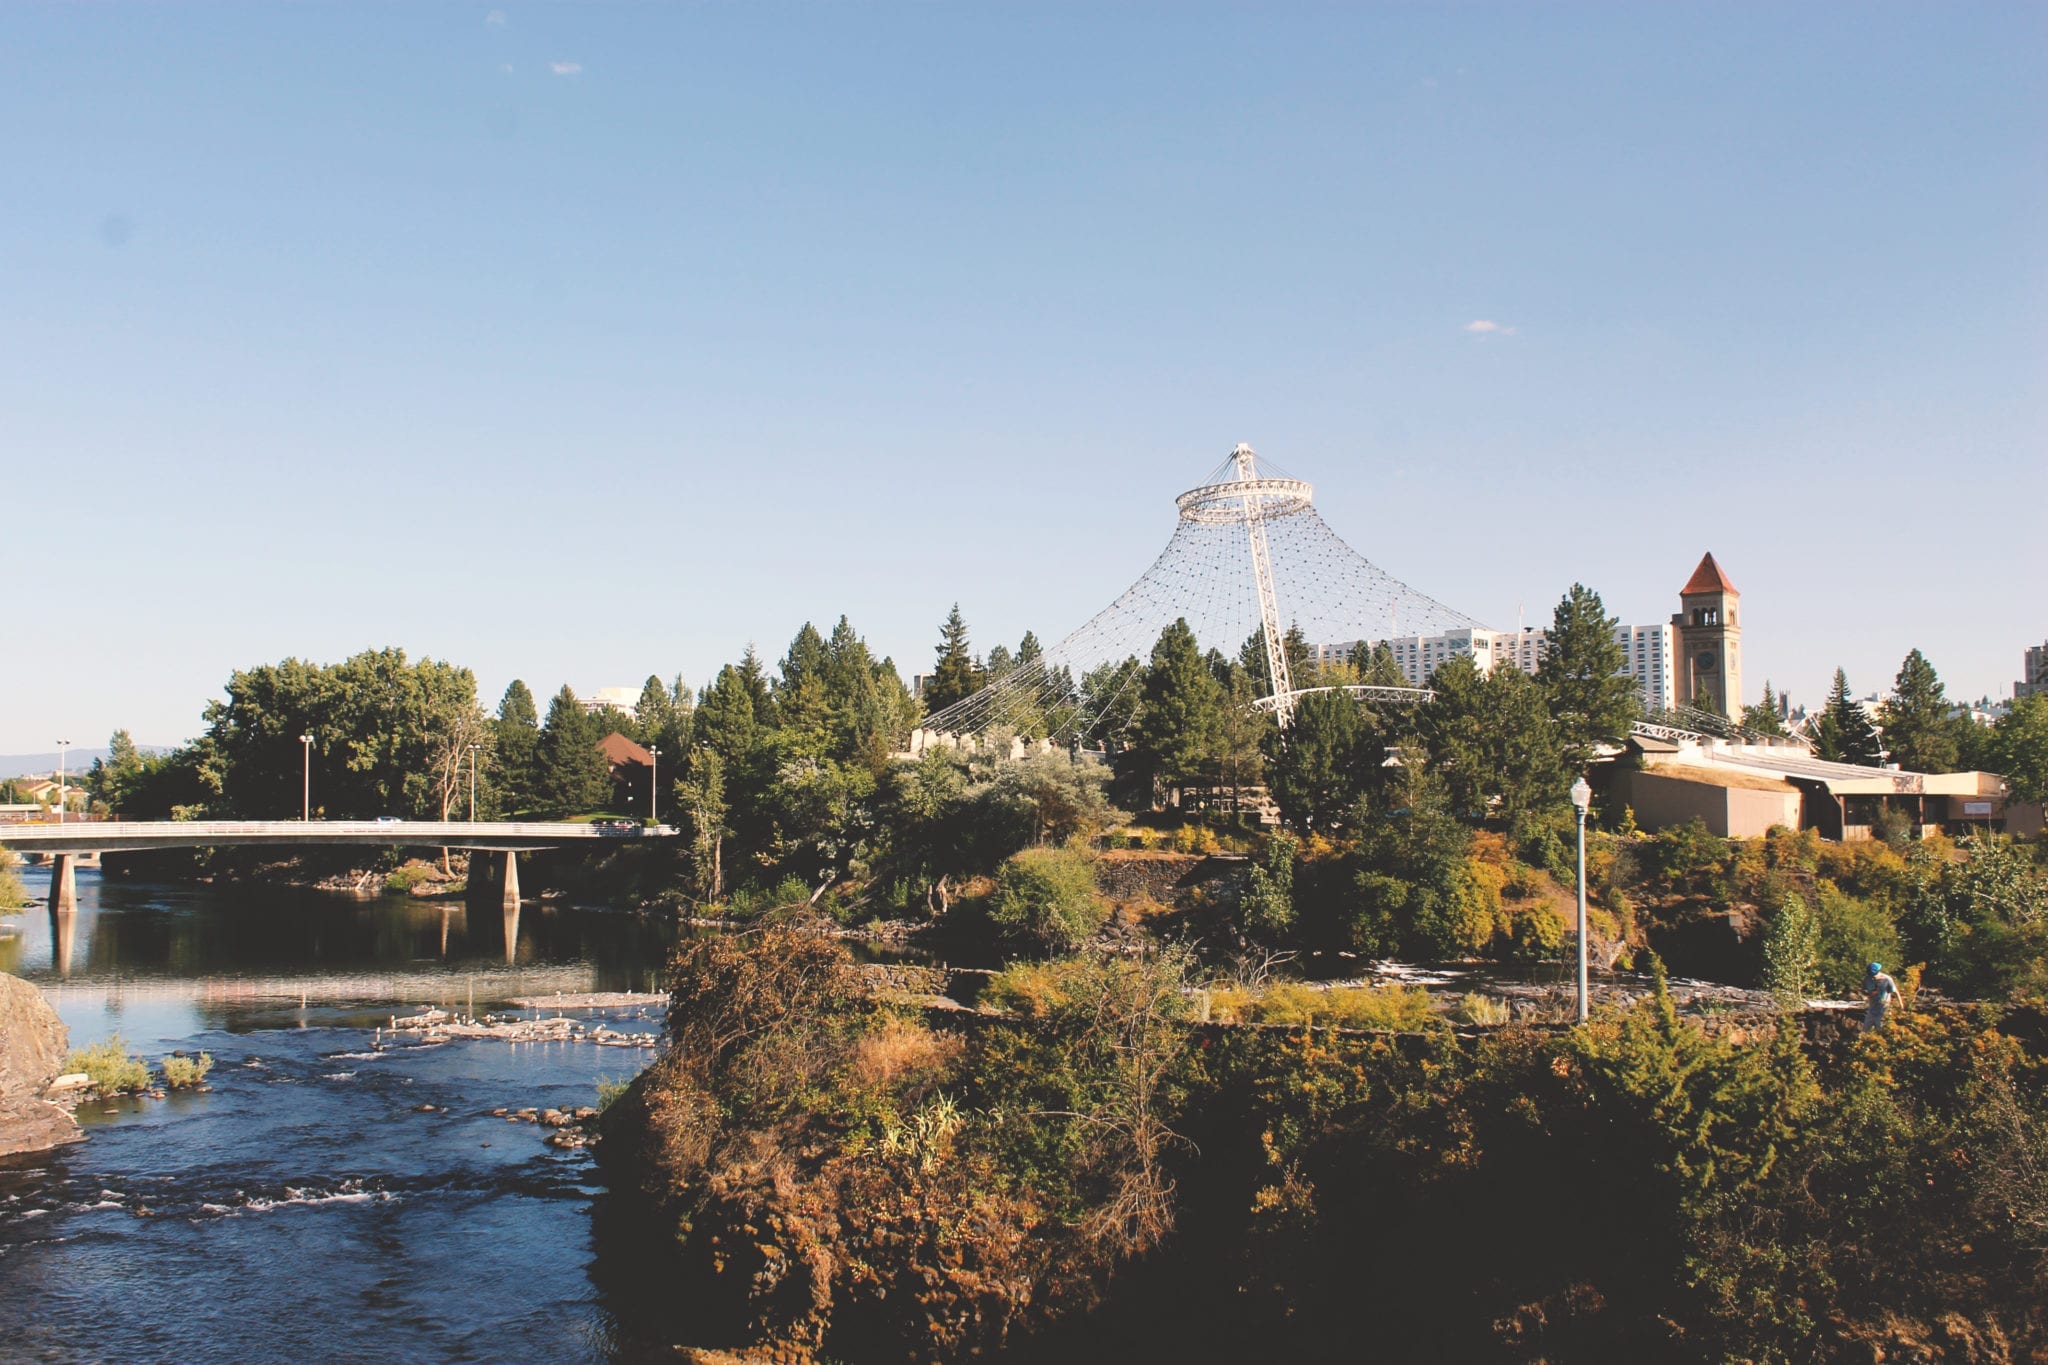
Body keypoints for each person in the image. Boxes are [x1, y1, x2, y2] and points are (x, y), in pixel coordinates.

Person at [1862, 961, 1900, 1031]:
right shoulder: (1867, 979)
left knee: (1881, 1031)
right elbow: (1863, 990)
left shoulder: (1887, 979)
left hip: (1883, 1011)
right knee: (1865, 1031)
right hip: (1871, 1011)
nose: (1872, 977)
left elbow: (1895, 992)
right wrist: (1869, 994)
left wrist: (1901, 1004)